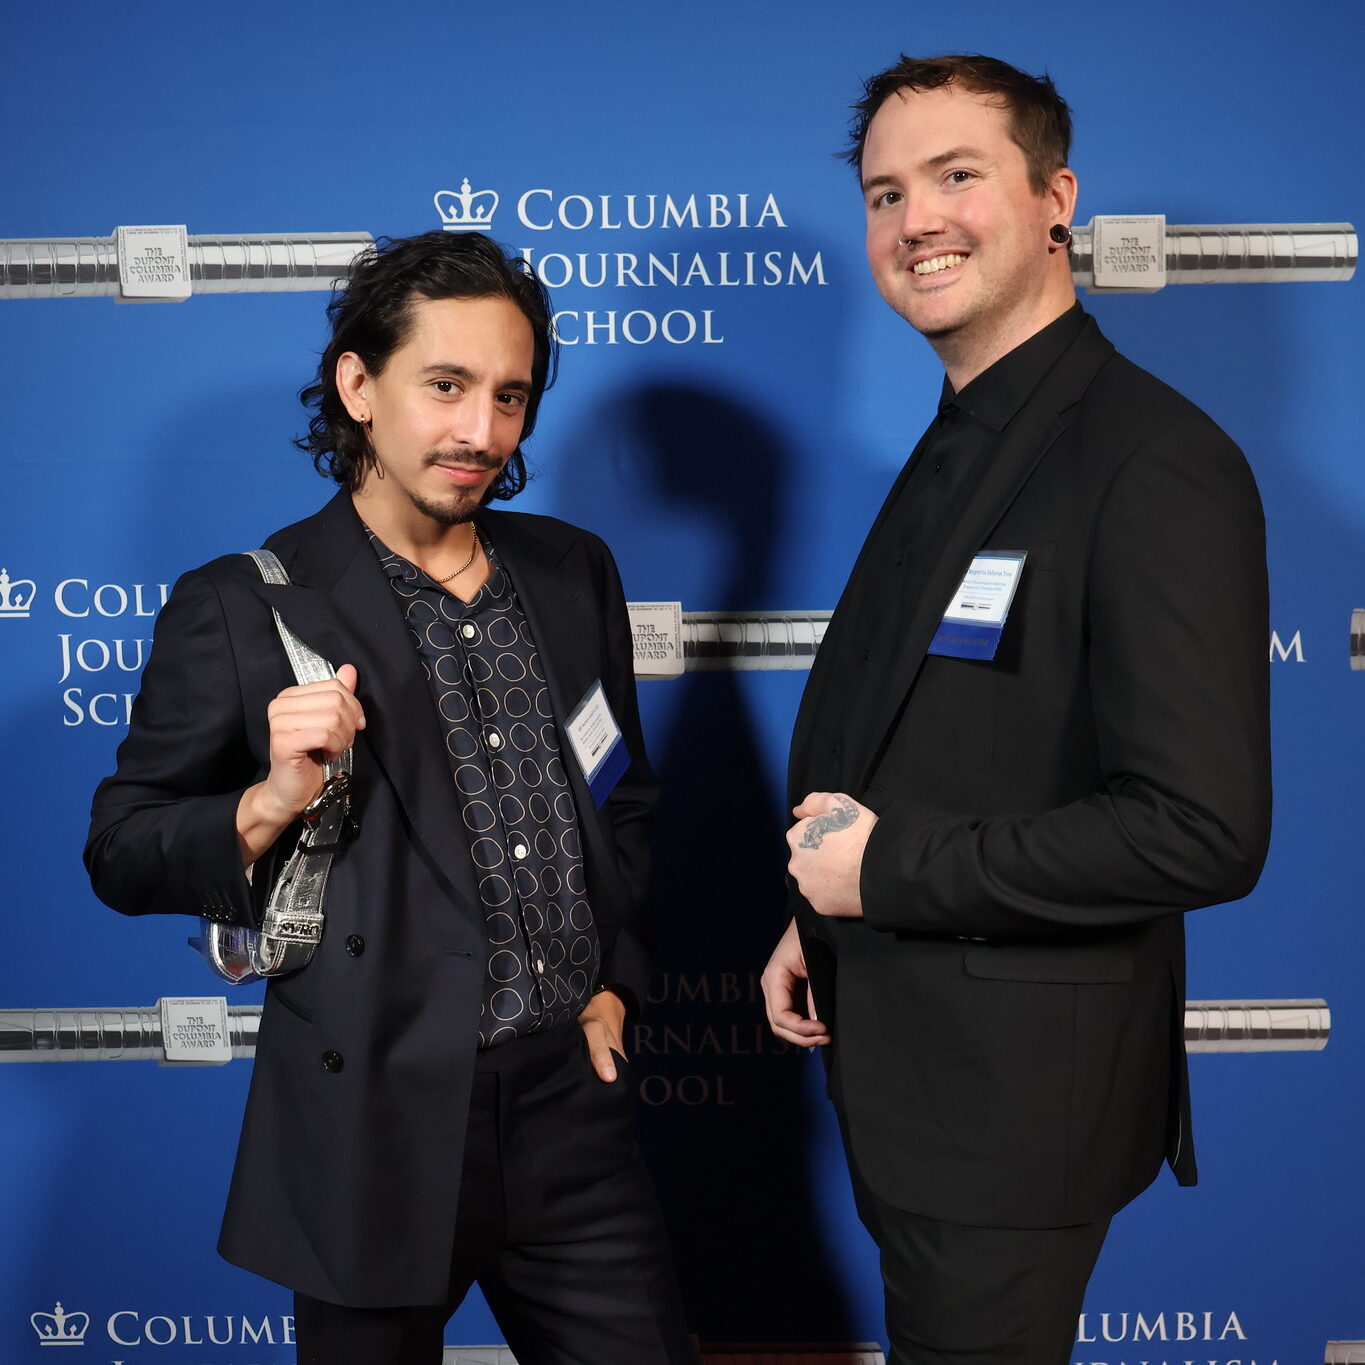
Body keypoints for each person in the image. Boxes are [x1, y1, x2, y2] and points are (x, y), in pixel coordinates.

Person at [86, 230, 696, 1365]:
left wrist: (616, 982)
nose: (481, 433)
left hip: (570, 1108)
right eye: (447, 386)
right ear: (359, 386)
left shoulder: (572, 572)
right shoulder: (239, 605)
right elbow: (119, 850)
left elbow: (622, 798)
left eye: (510, 396)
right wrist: (266, 800)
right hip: (372, 1118)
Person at [761, 54, 1271, 1365]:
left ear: (1056, 199)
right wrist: (814, 912)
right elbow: (921, 718)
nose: (914, 220)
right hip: (907, 1062)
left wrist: (885, 871)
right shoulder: (964, 426)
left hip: (1010, 1113)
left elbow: (1199, 830)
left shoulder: (1154, 461)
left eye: (954, 176)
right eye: (885, 193)